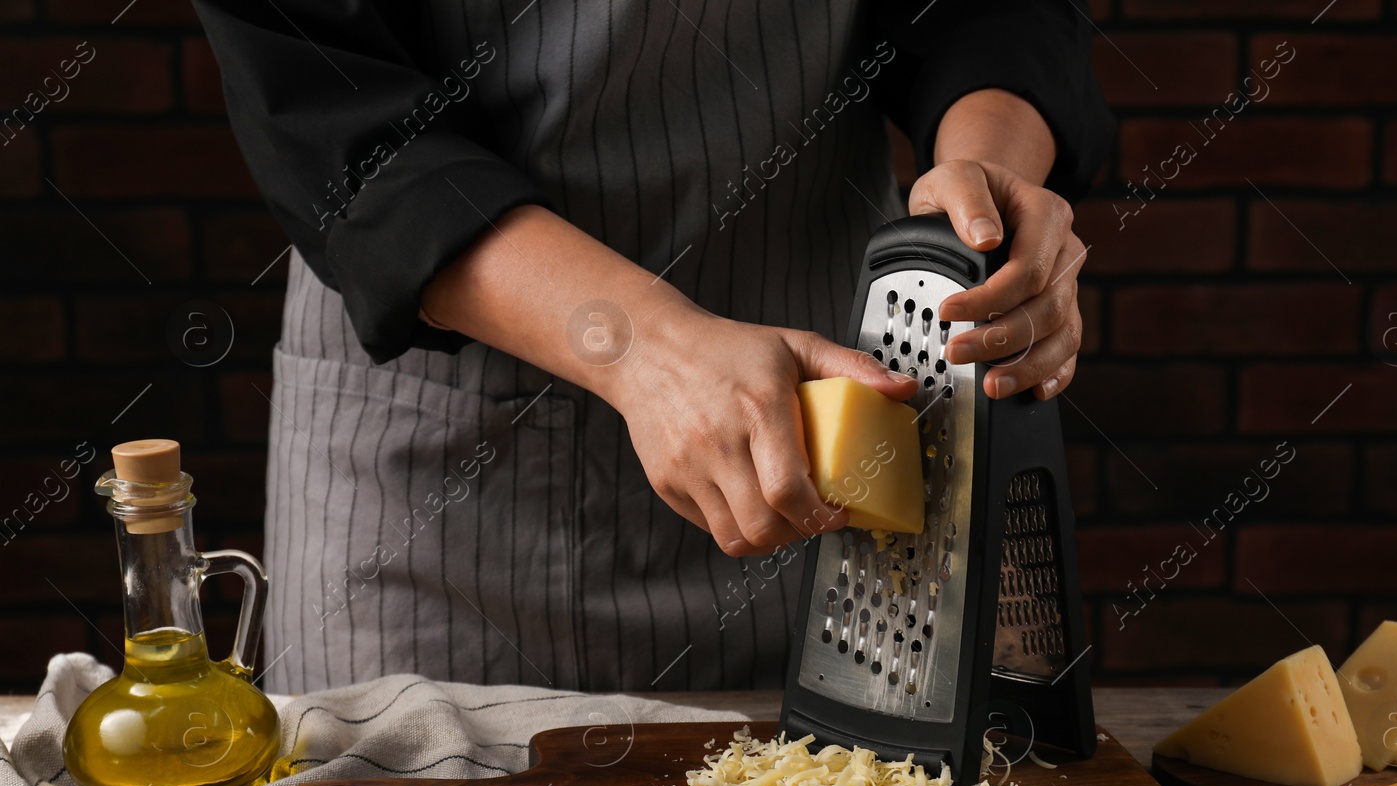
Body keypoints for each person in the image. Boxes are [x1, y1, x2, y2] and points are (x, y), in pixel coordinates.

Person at [193, 0, 1113, 694]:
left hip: (822, 447)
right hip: (443, 488)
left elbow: (995, 8)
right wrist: (642, 349)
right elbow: (327, 99)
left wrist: (985, 179)